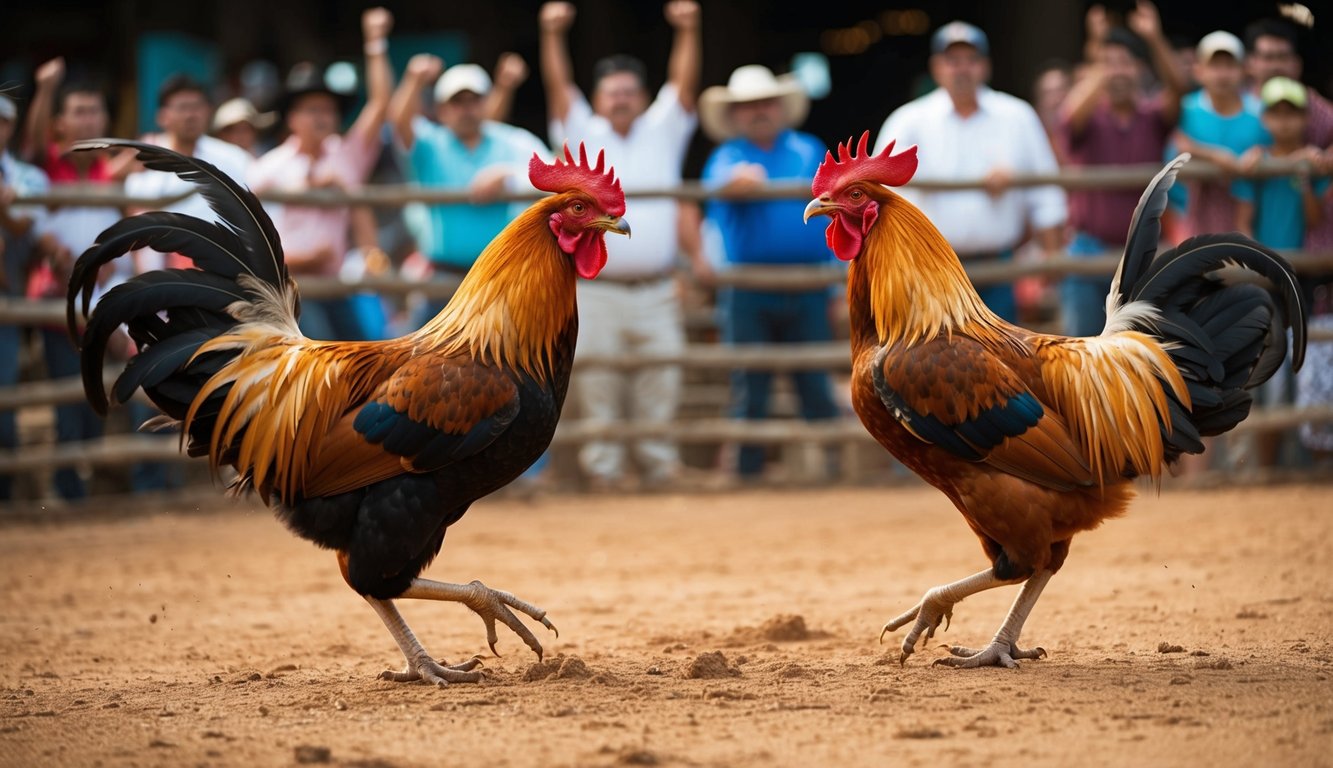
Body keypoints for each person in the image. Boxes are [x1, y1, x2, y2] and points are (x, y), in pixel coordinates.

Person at [539, 0, 703, 491]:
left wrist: (689, 29)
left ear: (643, 97)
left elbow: (685, 84)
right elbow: (556, 87)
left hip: (656, 284)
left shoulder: (663, 129)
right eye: (613, 92)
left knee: (662, 370)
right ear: (598, 98)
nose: (622, 99)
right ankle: (605, 469)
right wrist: (552, 36)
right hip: (597, 284)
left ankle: (658, 463)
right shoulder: (581, 130)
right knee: (598, 374)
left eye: (630, 91)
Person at [698, 65, 838, 481]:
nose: (759, 111)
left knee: (814, 381)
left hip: (809, 282)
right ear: (735, 114)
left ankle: (831, 469)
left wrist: (835, 280)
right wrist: (733, 182)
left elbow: (835, 212)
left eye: (766, 102)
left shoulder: (809, 149)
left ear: (779, 107)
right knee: (750, 384)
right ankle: (747, 473)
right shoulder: (726, 157)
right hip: (747, 287)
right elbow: (717, 184)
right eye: (748, 105)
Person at [874, 20, 1066, 324]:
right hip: (931, 267)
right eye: (952, 61)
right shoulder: (908, 121)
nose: (961, 69)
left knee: (1002, 362)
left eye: (970, 60)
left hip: (1000, 264)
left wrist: (1052, 254)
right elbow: (879, 194)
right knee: (937, 361)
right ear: (937, 67)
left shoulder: (1017, 116)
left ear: (985, 66)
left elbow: (1046, 194)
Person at [248, 7, 394, 342]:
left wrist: (375, 42)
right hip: (289, 288)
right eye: (312, 109)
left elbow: (381, 103)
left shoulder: (346, 155)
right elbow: (248, 233)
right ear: (292, 118)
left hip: (336, 286)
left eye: (328, 109)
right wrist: (298, 259)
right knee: (319, 360)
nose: (322, 116)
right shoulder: (268, 168)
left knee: (366, 358)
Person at [388, 53, 548, 327]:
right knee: (422, 363)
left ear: (487, 103)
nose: (466, 109)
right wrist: (413, 80)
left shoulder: (514, 141)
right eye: (457, 102)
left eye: (474, 100)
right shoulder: (429, 145)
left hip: (502, 276)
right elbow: (399, 123)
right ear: (442, 109)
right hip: (443, 278)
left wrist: (507, 176)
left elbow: (556, 175)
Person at [1057, 1, 1184, 336]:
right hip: (1088, 250)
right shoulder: (1088, 114)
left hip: (1142, 251)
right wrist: (1100, 53)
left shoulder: (1152, 116)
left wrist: (1154, 38)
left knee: (1141, 358)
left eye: (1125, 63)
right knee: (1081, 356)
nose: (1117, 71)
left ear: (1140, 69)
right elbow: (1067, 116)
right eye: (1108, 63)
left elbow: (1179, 89)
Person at [0, 95, 50, 501]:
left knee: (4, 396)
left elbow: (22, 229)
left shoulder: (28, 178)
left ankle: (4, 493)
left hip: (8, 304)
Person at [1172, 31, 1269, 239]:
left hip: (1252, 227)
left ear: (1244, 70)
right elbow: (1176, 150)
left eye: (1230, 65)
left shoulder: (1259, 111)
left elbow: (1274, 149)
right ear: (1199, 71)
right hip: (1195, 229)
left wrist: (1261, 154)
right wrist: (1216, 156)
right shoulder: (1186, 109)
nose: (1222, 74)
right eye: (1215, 66)